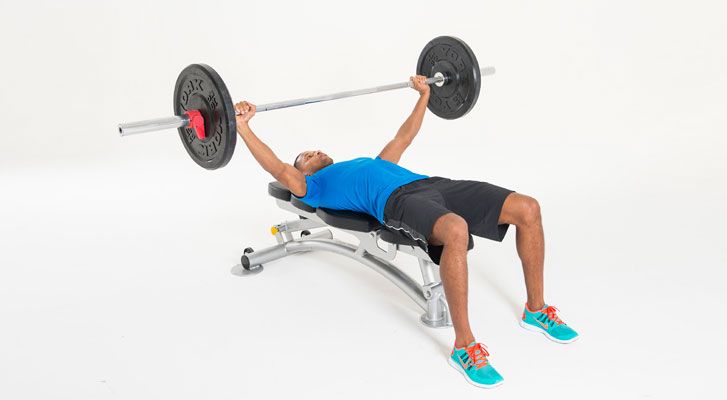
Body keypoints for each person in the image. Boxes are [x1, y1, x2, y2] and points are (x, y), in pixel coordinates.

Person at [233, 75, 579, 388]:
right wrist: (244, 127)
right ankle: (465, 346)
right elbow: (275, 164)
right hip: (395, 203)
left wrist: (424, 94)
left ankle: (536, 310)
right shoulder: (313, 186)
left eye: (316, 148)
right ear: (302, 172)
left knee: (528, 208)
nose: (315, 151)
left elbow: (404, 135)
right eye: (306, 155)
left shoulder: (373, 162)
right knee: (455, 229)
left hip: (431, 184)